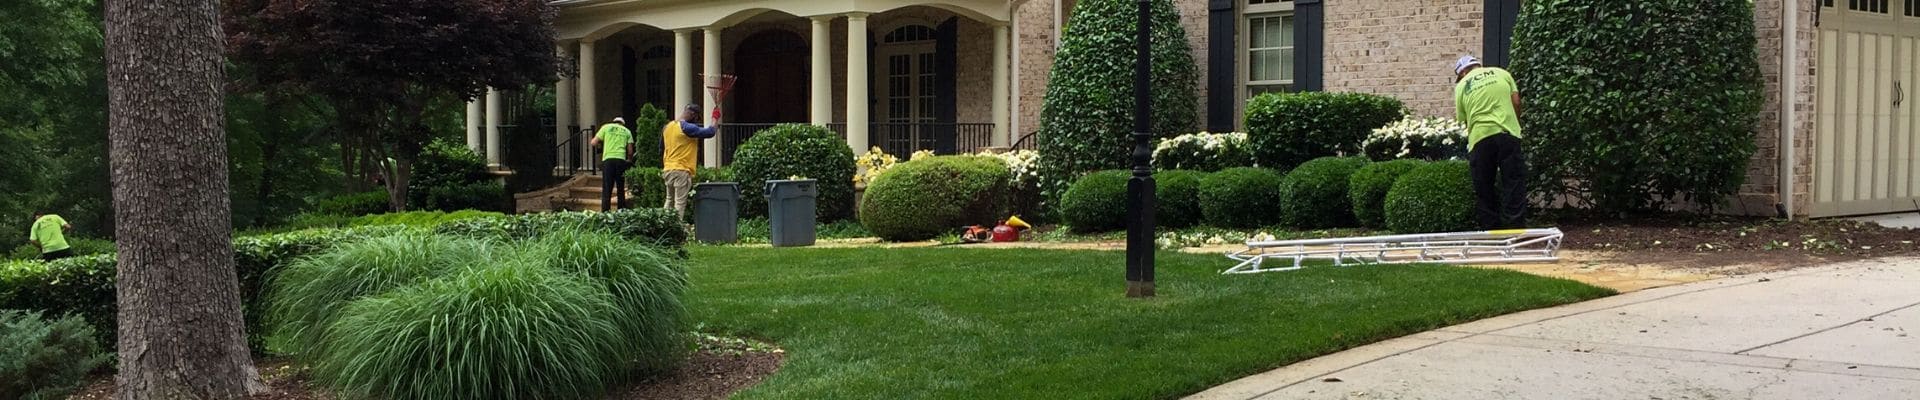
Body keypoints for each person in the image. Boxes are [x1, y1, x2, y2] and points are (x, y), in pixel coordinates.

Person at [1452, 55, 1527, 230]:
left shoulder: (1462, 85)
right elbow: (1516, 101)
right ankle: (1515, 228)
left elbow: (1463, 119)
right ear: (1478, 66)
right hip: (1507, 132)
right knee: (1514, 180)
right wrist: (1514, 125)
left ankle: (1491, 229)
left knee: (1484, 184)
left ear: (1463, 72)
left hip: (1480, 137)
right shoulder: (1501, 73)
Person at [661, 104, 718, 216]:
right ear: (692, 114)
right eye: (696, 117)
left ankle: (663, 226)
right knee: (679, 203)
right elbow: (710, 132)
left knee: (669, 200)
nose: (696, 121)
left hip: (668, 168)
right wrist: (715, 118)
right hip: (681, 169)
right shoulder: (686, 127)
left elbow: (661, 148)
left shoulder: (667, 127)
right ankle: (676, 229)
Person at [589, 117, 637, 211]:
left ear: (614, 122)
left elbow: (593, 142)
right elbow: (630, 151)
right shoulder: (627, 131)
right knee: (620, 187)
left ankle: (606, 212)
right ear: (622, 124)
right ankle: (621, 211)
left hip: (608, 160)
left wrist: (602, 145)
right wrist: (629, 160)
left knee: (607, 188)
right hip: (620, 160)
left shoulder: (606, 127)